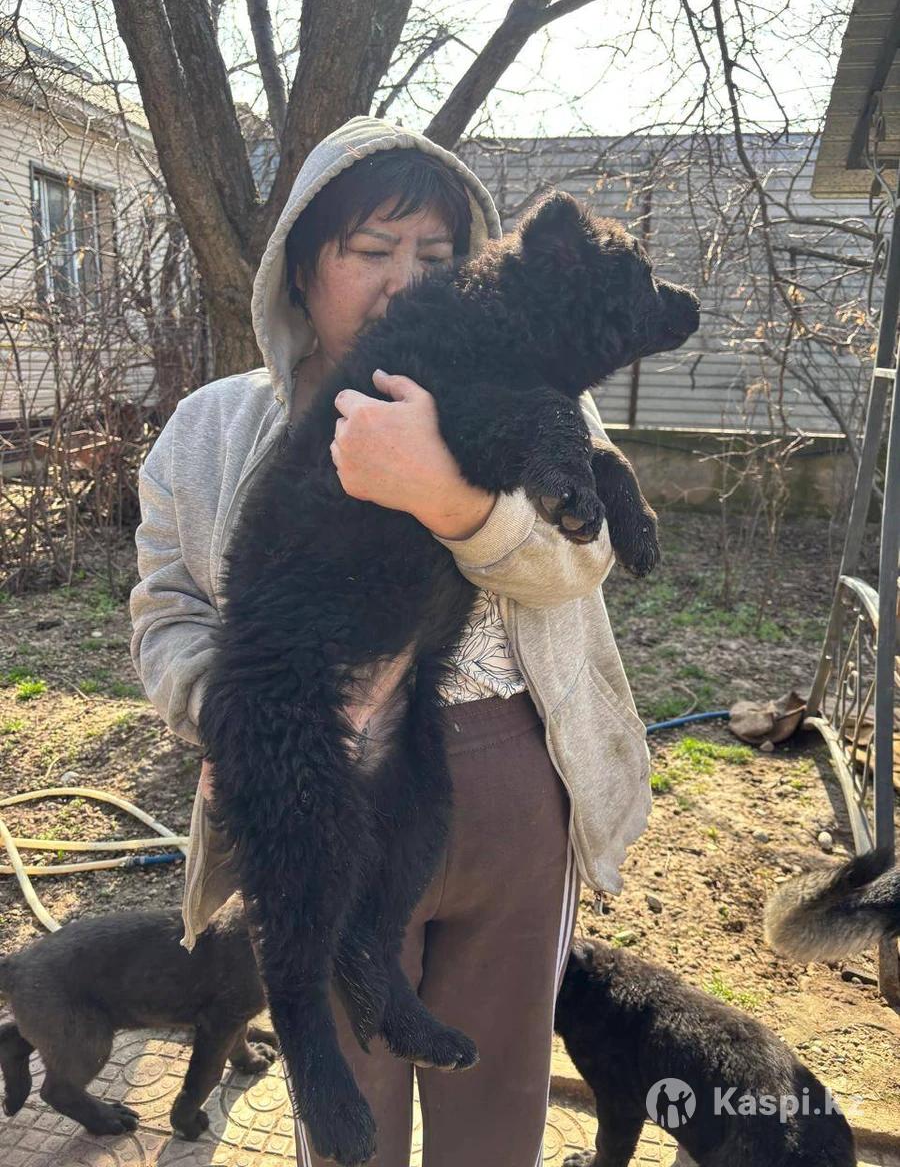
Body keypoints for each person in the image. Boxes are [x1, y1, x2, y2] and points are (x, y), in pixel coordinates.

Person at [130, 115, 652, 1167]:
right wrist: (226, 710)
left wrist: (450, 498)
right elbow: (166, 608)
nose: (406, 279)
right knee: (347, 1103)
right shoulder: (213, 425)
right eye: (371, 250)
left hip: (511, 777)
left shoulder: (535, 386)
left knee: (499, 1087)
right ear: (299, 269)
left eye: (437, 254)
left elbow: (581, 562)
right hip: (317, 770)